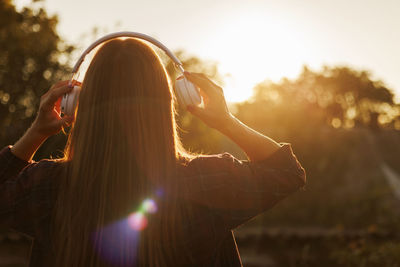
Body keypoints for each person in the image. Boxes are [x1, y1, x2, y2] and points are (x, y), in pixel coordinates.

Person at [0, 38, 306, 266]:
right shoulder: (204, 182)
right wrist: (225, 121)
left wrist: (37, 131)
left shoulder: (49, 188)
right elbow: (285, 172)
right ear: (165, 103)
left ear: (79, 103)